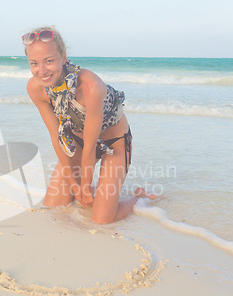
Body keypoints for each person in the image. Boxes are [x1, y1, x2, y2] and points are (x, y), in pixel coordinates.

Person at [23, 26, 157, 224]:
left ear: (63, 57)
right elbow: (56, 137)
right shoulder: (36, 88)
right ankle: (101, 194)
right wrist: (76, 186)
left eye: (49, 61)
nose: (41, 71)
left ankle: (141, 198)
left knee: (102, 220)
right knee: (54, 207)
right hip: (77, 142)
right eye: (34, 63)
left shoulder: (89, 86)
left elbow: (92, 143)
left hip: (114, 144)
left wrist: (83, 186)